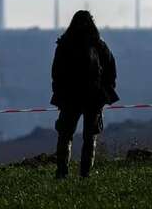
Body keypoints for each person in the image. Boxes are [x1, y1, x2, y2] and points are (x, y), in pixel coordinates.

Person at [50, 10, 119, 178]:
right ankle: (84, 173)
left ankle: (63, 172)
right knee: (88, 137)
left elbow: (56, 72)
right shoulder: (98, 44)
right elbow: (111, 69)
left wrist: (59, 93)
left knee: (66, 135)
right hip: (90, 98)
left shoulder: (65, 44)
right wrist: (105, 91)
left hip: (74, 98)